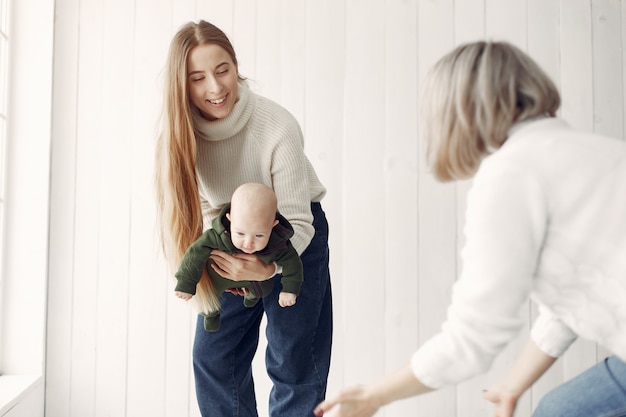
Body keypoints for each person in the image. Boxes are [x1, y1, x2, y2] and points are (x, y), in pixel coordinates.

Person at [314, 40, 626, 417]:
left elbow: (472, 338)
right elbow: (578, 298)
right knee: (560, 408)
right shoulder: (591, 150)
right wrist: (512, 385)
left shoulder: (511, 174)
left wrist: (375, 395)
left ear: (453, 112)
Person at [155, 20, 333, 417]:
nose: (215, 88)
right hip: (229, 239)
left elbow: (299, 223)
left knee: (293, 361)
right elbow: (203, 209)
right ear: (181, 85)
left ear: (236, 67)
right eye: (198, 78)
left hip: (292, 237)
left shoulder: (277, 126)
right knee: (214, 356)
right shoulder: (184, 137)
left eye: (222, 71)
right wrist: (230, 259)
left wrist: (265, 267)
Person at [175, 182, 304, 331]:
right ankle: (211, 316)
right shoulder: (216, 236)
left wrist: (289, 289)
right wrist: (186, 282)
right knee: (208, 297)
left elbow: (293, 264)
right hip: (218, 276)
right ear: (230, 220)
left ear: (273, 225)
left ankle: (251, 297)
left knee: (264, 288)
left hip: (255, 280)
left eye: (259, 235)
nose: (248, 243)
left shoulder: (278, 244)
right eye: (240, 233)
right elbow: (194, 253)